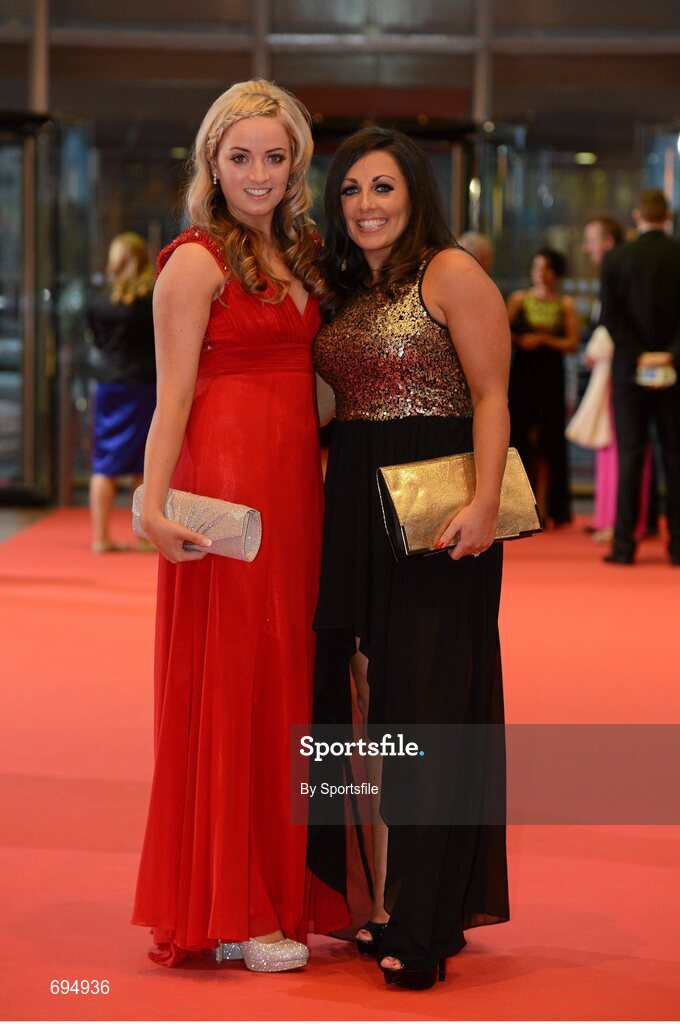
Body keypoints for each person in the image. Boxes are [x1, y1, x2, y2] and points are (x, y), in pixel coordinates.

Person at [131, 79, 334, 971]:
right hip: (226, 496)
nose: (259, 172)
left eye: (275, 156)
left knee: (286, 682)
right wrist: (151, 503)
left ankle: (274, 891)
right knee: (234, 686)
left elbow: (320, 389)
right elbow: (171, 397)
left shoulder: (301, 253)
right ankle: (239, 906)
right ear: (212, 162)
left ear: (296, 166)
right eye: (241, 155)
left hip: (296, 495)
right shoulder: (194, 260)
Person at [310, 126, 510, 990]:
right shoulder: (345, 291)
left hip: (437, 515)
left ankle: (424, 923)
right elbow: (322, 405)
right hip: (354, 508)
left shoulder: (451, 272)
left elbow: (493, 395)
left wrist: (485, 504)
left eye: (382, 187)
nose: (366, 204)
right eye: (351, 189)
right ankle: (386, 897)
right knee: (367, 703)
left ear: (414, 193)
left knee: (431, 708)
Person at [600, 188, 680, 565]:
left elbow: (610, 317)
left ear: (636, 216)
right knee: (676, 457)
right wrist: (669, 354)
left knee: (631, 457)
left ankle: (623, 545)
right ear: (668, 217)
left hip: (629, 372)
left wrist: (638, 354)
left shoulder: (617, 258)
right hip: (676, 372)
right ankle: (678, 546)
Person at [578, 217, 652, 543]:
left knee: (625, 448)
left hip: (621, 372)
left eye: (591, 240)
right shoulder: (618, 273)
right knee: (617, 448)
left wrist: (603, 349)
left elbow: (614, 324)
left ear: (608, 242)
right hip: (616, 372)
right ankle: (612, 518)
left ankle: (624, 522)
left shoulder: (621, 273)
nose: (586, 248)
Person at [87, 232, 156, 553]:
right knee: (144, 463)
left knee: (104, 462)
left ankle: (100, 536)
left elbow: (97, 340)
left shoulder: (99, 300)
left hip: (109, 385)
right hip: (144, 385)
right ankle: (142, 536)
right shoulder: (150, 300)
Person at [507, 249, 579, 526]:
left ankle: (549, 506)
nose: (540, 273)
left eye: (546, 267)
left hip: (551, 376)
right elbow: (502, 331)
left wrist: (543, 340)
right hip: (523, 374)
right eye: (537, 266)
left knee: (551, 442)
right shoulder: (519, 299)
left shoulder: (565, 304)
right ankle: (519, 507)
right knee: (519, 439)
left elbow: (572, 343)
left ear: (556, 272)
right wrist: (522, 340)